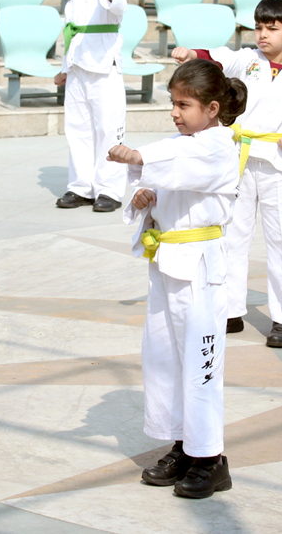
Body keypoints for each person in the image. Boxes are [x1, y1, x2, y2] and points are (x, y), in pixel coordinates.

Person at [107, 59, 246, 499]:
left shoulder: (221, 143)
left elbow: (184, 163)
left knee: (200, 362)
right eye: (172, 103)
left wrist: (139, 157)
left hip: (200, 266)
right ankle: (183, 444)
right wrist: (145, 196)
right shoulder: (179, 142)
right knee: (164, 356)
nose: (175, 112)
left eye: (183, 104)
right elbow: (167, 174)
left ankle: (211, 457)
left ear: (211, 108)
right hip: (167, 259)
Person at [172, 0, 282, 348]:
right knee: (233, 236)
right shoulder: (247, 61)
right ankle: (231, 310)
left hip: (277, 163)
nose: (263, 35)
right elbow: (218, 57)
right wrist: (192, 54)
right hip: (240, 159)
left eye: (272, 29)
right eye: (258, 28)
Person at [53, 0, 127, 213]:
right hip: (77, 69)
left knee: (108, 129)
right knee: (78, 129)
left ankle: (109, 189)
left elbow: (117, 3)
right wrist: (64, 68)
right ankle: (81, 187)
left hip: (105, 68)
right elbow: (71, 34)